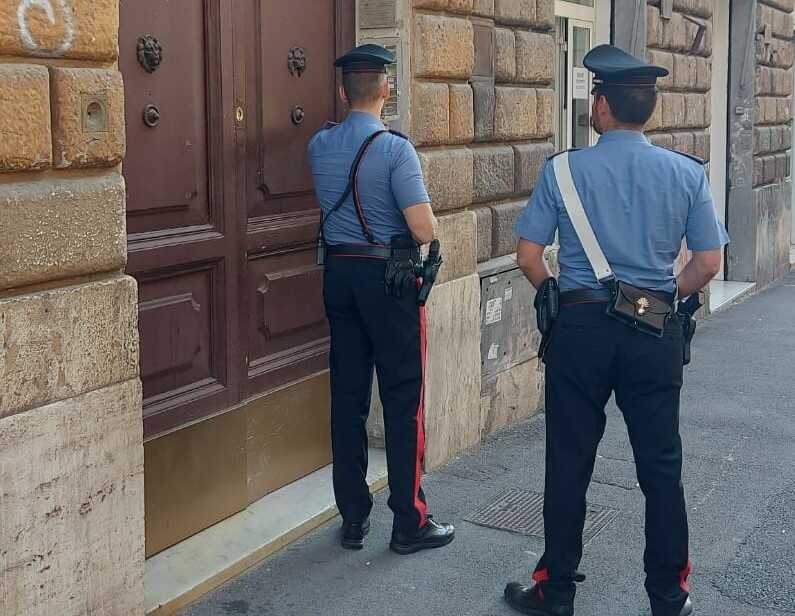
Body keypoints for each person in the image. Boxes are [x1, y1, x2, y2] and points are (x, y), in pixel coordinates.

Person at [503, 44, 729, 616]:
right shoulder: (686, 173)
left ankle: (555, 591)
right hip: (652, 326)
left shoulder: (562, 170)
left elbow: (529, 254)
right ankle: (668, 596)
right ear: (647, 108)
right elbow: (708, 262)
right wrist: (665, 297)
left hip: (580, 329)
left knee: (569, 461)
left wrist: (553, 292)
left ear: (601, 106)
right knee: (661, 466)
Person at [307, 44, 455, 555]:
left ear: (342, 91)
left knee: (348, 397)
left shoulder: (318, 145)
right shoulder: (394, 150)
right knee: (402, 397)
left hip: (339, 274)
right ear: (386, 90)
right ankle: (409, 521)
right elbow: (423, 228)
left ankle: (353, 517)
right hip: (387, 280)